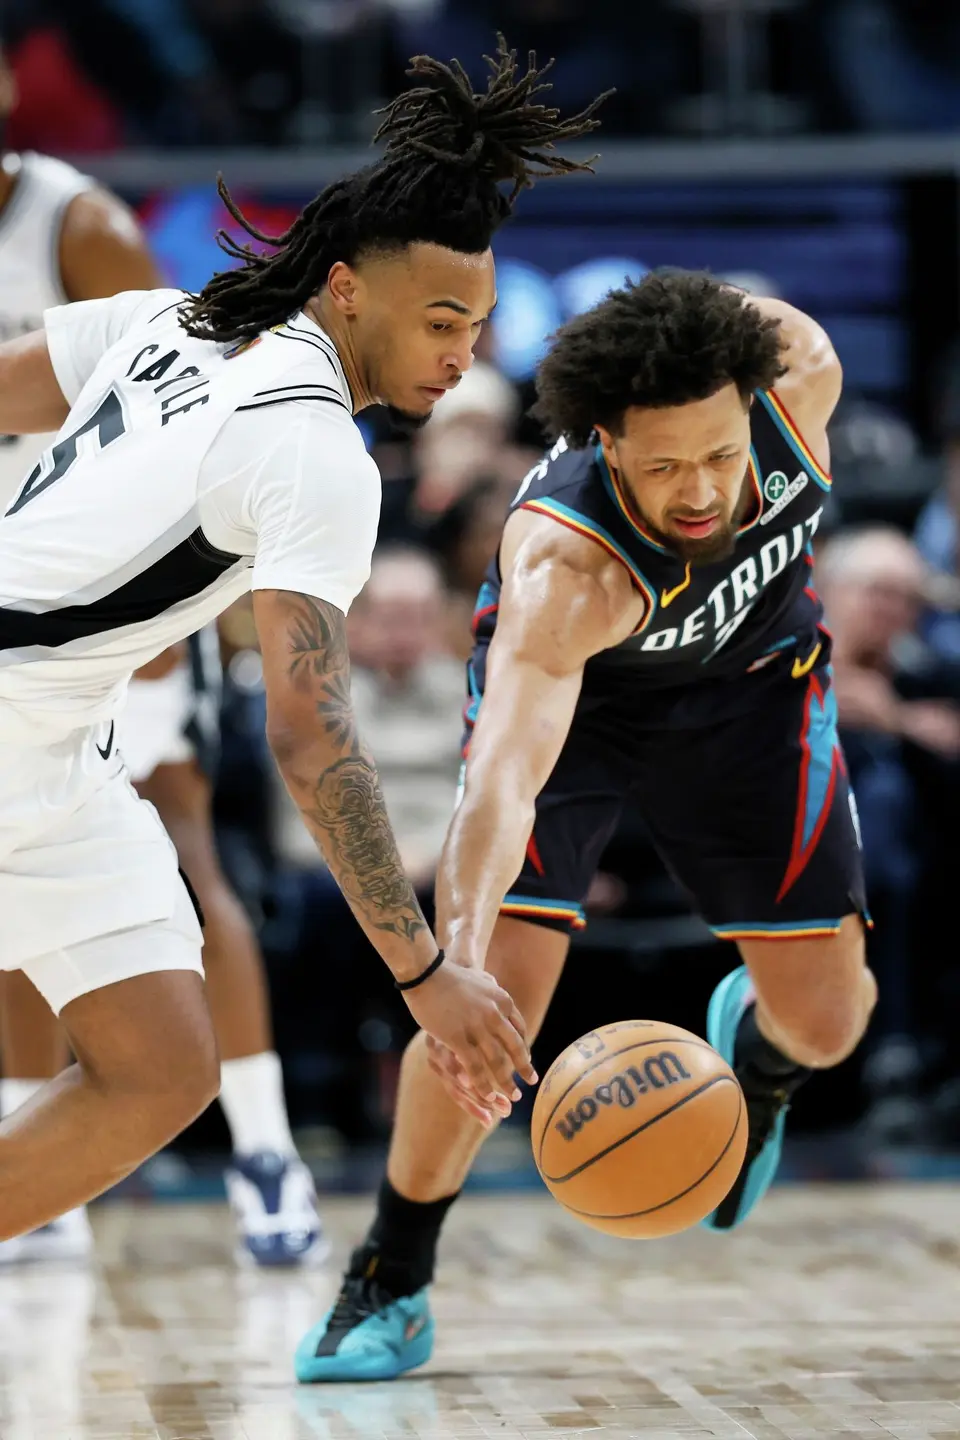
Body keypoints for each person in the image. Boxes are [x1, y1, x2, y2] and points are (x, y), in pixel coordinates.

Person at [0, 36, 606, 1242]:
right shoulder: (318, 449)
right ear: (346, 288)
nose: (461, 354)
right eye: (440, 319)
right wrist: (426, 976)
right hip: (20, 715)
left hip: (54, 736)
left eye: (479, 327)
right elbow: (312, 740)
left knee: (164, 1067)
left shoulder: (172, 319)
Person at [295, 270, 878, 1383]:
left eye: (720, 455)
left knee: (829, 1023)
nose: (699, 491)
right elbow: (502, 786)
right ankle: (390, 1274)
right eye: (662, 467)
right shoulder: (567, 572)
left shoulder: (801, 373)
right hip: (584, 709)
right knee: (493, 1010)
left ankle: (757, 1064)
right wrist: (455, 968)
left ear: (753, 405)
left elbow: (723, 324)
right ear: (607, 443)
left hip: (753, 689)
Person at [0, 45, 323, 1267]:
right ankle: (41, 1170)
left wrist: (169, 630)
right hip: (20, 613)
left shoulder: (73, 224)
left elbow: (178, 402)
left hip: (119, 607)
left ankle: (264, 1148)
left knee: (181, 859)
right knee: (25, 892)